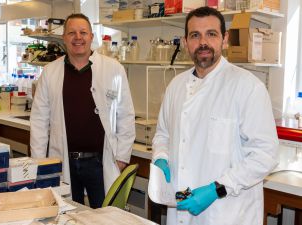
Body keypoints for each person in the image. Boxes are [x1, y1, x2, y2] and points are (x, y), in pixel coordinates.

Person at [152, 6, 278, 225]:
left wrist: (216, 189)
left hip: (226, 213)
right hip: (181, 209)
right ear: (185, 42)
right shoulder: (176, 86)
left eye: (211, 34)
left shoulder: (247, 87)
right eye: (195, 35)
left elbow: (265, 155)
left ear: (224, 39)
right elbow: (162, 134)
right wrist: (161, 156)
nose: (203, 42)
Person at [30, 13, 135, 208]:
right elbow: (39, 121)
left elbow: (126, 115)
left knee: (104, 216)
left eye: (83, 32)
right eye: (72, 33)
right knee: (65, 214)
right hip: (62, 160)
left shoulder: (114, 69)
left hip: (100, 162)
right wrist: (40, 162)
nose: (78, 37)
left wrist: (121, 157)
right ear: (64, 38)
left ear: (91, 36)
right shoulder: (50, 72)